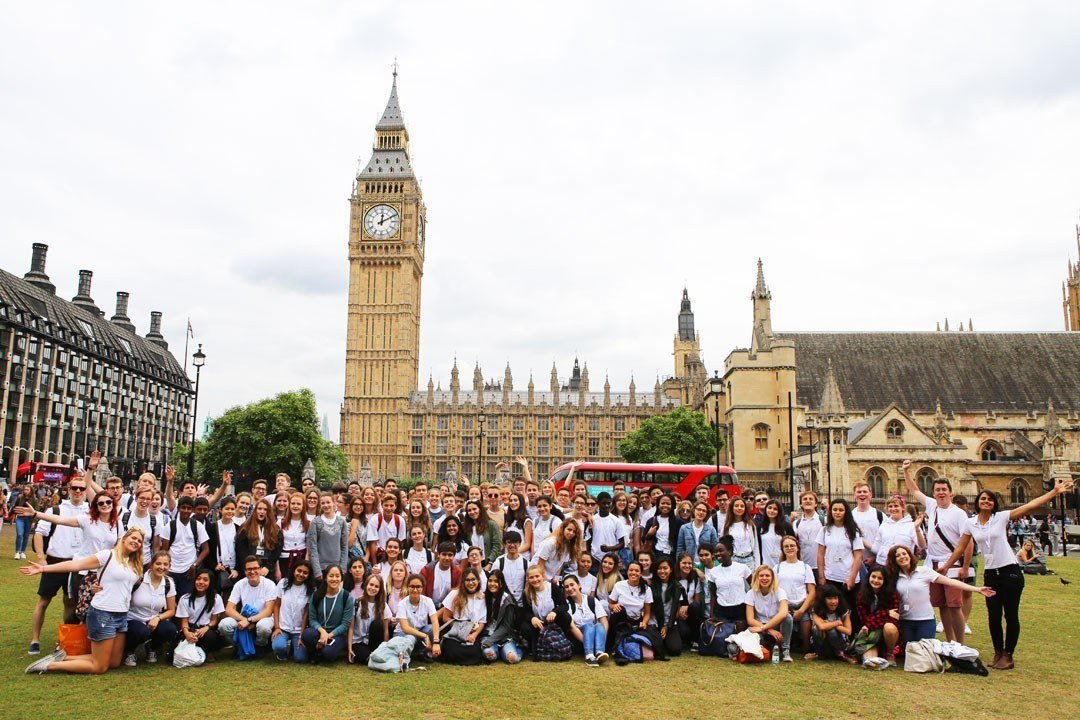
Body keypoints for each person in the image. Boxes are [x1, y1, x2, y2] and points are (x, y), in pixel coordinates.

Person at [937, 479, 1073, 670]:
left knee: (1010, 615)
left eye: (990, 500)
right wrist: (946, 566)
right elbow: (960, 547)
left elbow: (1029, 505)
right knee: (993, 616)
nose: (986, 502)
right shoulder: (971, 523)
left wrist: (1054, 492)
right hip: (991, 574)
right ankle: (998, 652)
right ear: (977, 502)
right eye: (983, 499)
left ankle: (1008, 654)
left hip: (1010, 572)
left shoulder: (1000, 517)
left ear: (994, 504)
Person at [22, 528, 146, 675]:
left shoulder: (134, 563)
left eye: (139, 541)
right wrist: (44, 568)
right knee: (99, 667)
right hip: (103, 613)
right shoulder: (107, 555)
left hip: (121, 615)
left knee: (113, 662)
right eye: (133, 538)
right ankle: (50, 665)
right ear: (124, 539)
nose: (136, 542)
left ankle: (64, 658)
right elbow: (76, 565)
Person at [902, 460, 971, 643]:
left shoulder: (959, 514)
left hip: (951, 563)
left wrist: (963, 566)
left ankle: (960, 644)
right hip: (932, 563)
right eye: (938, 490)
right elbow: (914, 490)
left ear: (950, 492)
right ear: (934, 493)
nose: (941, 493)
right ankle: (950, 641)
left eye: (944, 489)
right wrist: (906, 472)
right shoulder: (932, 505)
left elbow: (966, 543)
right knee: (942, 606)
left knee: (955, 605)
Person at [20, 476, 88, 654]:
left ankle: (64, 639)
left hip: (76, 563)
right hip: (55, 560)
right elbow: (39, 533)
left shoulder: (90, 510)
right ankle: (35, 639)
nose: (78, 492)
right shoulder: (57, 509)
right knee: (44, 600)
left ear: (86, 490)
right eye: (75, 488)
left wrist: (90, 471)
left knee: (70, 601)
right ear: (69, 488)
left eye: (82, 488)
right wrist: (41, 558)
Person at [885, 545, 993, 646]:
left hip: (925, 620)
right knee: (910, 652)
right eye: (897, 556)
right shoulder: (893, 577)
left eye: (904, 553)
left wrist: (977, 589)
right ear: (893, 560)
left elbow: (950, 582)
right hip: (905, 621)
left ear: (910, 555)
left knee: (925, 653)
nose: (902, 557)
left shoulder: (924, 571)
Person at [123, 550, 178, 667]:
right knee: (141, 631)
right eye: (158, 564)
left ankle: (151, 647)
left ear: (169, 566)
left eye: (165, 564)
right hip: (133, 620)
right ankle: (129, 651)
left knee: (170, 629)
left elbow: (171, 610)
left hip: (153, 620)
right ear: (151, 564)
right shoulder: (138, 579)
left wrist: (158, 618)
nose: (161, 567)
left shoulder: (169, 583)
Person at [219, 555, 280, 650]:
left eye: (255, 568)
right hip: (244, 617)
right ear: (245, 571)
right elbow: (229, 609)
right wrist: (245, 620)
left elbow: (268, 611)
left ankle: (259, 646)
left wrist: (249, 621)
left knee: (263, 627)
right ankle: (238, 645)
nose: (252, 572)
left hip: (263, 618)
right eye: (249, 569)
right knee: (224, 625)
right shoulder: (239, 584)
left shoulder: (270, 584)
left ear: (260, 569)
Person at [815, 499, 863, 614]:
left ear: (846, 512)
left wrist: (851, 579)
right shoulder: (825, 530)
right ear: (830, 511)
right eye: (835, 509)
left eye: (841, 510)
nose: (837, 512)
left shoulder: (853, 531)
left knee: (848, 611)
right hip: (830, 577)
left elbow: (858, 556)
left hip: (847, 579)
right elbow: (820, 554)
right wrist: (821, 576)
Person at [298, 565, 353, 663]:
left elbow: (345, 624)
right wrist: (322, 632)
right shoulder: (317, 595)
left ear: (341, 578)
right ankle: (315, 653)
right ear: (325, 577)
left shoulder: (347, 597)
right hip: (319, 631)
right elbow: (312, 619)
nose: (334, 579)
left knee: (329, 653)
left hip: (337, 634)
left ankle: (323, 651)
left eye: (337, 576)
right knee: (306, 634)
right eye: (331, 576)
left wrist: (328, 635)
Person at [160, 496, 209, 600]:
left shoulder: (197, 526)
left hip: (189, 572)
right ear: (178, 508)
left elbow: (206, 549)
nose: (186, 511)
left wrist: (195, 565)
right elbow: (164, 551)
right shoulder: (170, 526)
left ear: (192, 510)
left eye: (189, 508)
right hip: (171, 571)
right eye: (183, 507)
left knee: (185, 602)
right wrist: (165, 569)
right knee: (169, 601)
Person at [852, 565, 900, 669]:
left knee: (889, 627)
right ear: (868, 577)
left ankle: (890, 653)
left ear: (885, 580)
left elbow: (894, 618)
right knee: (870, 661)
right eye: (873, 577)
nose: (876, 580)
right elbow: (864, 619)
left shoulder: (892, 594)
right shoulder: (861, 595)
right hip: (869, 633)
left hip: (886, 633)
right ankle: (874, 658)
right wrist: (886, 613)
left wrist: (871, 623)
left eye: (880, 578)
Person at [437, 567, 488, 665]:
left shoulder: (481, 597)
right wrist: (461, 629)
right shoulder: (454, 594)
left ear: (478, 581)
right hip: (455, 631)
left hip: (472, 632)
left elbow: (482, 621)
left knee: (474, 652)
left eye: (473, 579)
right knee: (452, 649)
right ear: (463, 582)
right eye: (467, 580)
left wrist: (473, 635)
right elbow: (445, 618)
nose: (471, 583)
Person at [774, 535, 815, 653]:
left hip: (801, 607)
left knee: (805, 646)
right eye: (786, 546)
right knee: (782, 643)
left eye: (792, 545)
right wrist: (783, 609)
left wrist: (802, 610)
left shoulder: (805, 567)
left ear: (797, 548)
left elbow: (812, 591)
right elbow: (774, 590)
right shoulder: (777, 568)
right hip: (784, 607)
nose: (789, 548)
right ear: (782, 550)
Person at [522, 565, 573, 658]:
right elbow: (525, 611)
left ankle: (563, 641)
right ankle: (534, 647)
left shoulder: (552, 587)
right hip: (539, 623)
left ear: (542, 576)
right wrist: (532, 618)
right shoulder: (526, 593)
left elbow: (564, 605)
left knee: (566, 617)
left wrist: (555, 612)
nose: (535, 579)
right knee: (524, 627)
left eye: (537, 576)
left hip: (552, 621)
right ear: (528, 579)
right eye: (531, 577)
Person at [745, 565, 792, 662]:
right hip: (760, 626)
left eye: (767, 575)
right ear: (757, 577)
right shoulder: (751, 593)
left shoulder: (780, 591)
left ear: (772, 578)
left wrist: (766, 628)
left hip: (776, 626)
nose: (764, 578)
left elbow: (783, 613)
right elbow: (750, 619)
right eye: (761, 576)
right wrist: (768, 630)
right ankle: (769, 649)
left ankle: (785, 650)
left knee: (788, 618)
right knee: (750, 631)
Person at [176, 569, 226, 658]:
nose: (201, 582)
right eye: (198, 579)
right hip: (190, 628)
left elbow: (214, 619)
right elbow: (184, 621)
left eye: (205, 580)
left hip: (206, 629)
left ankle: (208, 652)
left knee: (210, 636)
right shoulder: (185, 598)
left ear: (211, 582)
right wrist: (187, 633)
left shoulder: (216, 598)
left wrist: (206, 628)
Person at [272, 561, 314, 661]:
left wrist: (301, 635)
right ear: (294, 570)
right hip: (283, 627)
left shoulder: (309, 589)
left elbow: (305, 614)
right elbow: (276, 606)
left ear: (309, 575)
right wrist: (277, 627)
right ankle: (283, 652)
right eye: (299, 571)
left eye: (305, 572)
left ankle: (293, 648)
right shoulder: (283, 583)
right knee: (279, 647)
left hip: (298, 629)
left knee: (301, 659)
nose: (301, 574)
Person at [563, 574, 609, 665]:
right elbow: (572, 627)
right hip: (579, 638)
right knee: (589, 625)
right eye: (567, 587)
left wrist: (601, 638)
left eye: (572, 585)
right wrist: (589, 642)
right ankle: (589, 655)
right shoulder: (566, 605)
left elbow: (604, 621)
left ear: (579, 585)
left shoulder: (591, 600)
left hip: (595, 637)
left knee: (599, 625)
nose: (570, 588)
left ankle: (599, 652)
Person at [705, 536, 751, 625]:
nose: (718, 553)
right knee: (723, 638)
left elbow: (753, 586)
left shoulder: (742, 568)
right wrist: (712, 615)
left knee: (739, 637)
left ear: (729, 552)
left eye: (721, 550)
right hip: (722, 612)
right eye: (716, 551)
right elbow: (713, 595)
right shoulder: (713, 572)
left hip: (740, 610)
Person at [395, 573, 441, 661]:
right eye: (412, 586)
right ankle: (408, 656)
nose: (415, 590)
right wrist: (425, 636)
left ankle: (427, 652)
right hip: (403, 634)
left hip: (420, 632)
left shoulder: (428, 601)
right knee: (411, 638)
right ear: (407, 587)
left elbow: (435, 621)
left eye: (418, 587)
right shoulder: (402, 604)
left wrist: (436, 642)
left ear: (422, 588)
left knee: (431, 629)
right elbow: (405, 628)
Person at [348, 572, 391, 665]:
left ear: (380, 589)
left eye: (376, 586)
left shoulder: (383, 605)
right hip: (359, 641)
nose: (373, 588)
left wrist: (385, 649)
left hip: (374, 640)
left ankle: (378, 654)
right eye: (371, 585)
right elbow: (351, 628)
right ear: (366, 585)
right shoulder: (357, 603)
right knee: (365, 658)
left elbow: (386, 630)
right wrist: (349, 649)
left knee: (377, 624)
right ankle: (372, 657)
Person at [805, 584, 855, 663]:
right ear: (823, 600)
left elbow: (848, 631)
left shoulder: (844, 610)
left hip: (839, 642)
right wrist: (837, 623)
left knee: (831, 630)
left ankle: (841, 654)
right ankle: (819, 653)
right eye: (829, 598)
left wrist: (831, 625)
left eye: (835, 598)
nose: (833, 602)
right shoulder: (816, 610)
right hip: (823, 643)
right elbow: (821, 626)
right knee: (816, 629)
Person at [480, 570, 521, 664]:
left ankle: (519, 649)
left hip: (505, 637)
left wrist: (490, 641)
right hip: (488, 634)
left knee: (512, 658)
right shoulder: (485, 597)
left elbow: (506, 627)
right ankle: (496, 651)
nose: (492, 584)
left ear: (501, 584)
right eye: (490, 581)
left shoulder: (507, 600)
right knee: (490, 655)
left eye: (496, 581)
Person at [650, 557, 688, 656]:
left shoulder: (677, 587)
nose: (662, 571)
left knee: (675, 650)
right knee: (656, 648)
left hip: (670, 624)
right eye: (659, 568)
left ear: (671, 569)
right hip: (655, 623)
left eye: (665, 568)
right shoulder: (651, 586)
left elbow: (676, 609)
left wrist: (667, 626)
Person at [236, 498, 283, 579]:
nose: (262, 512)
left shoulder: (275, 529)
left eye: (265, 509)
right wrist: (251, 567)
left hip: (267, 568)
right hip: (249, 566)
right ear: (255, 510)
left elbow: (277, 550)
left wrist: (268, 567)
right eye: (259, 509)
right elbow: (240, 550)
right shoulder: (245, 527)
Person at [307, 492, 349, 582]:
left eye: (328, 502)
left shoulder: (341, 522)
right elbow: (312, 547)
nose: (326, 505)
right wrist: (317, 571)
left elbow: (345, 546)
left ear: (334, 503)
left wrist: (343, 568)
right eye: (323, 503)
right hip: (321, 568)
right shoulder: (315, 522)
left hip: (337, 567)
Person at [872, 495, 923, 566]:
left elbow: (922, 545)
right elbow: (876, 548)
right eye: (890, 506)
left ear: (902, 507)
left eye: (896, 506)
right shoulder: (883, 526)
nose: (893, 509)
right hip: (883, 564)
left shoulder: (911, 526)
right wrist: (862, 540)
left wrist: (917, 529)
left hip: (903, 565)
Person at [367, 493, 408, 567]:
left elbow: (401, 542)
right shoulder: (375, 519)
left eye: (391, 505)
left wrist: (399, 561)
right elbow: (372, 543)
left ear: (395, 506)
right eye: (386, 505)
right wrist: (375, 564)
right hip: (379, 555)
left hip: (394, 555)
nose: (389, 508)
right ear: (382, 506)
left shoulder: (400, 520)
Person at [491, 530, 529, 605]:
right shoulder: (499, 562)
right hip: (503, 604)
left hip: (521, 605)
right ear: (504, 544)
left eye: (515, 542)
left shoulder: (526, 563)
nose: (512, 545)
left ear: (519, 544)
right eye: (509, 542)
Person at [642, 494, 682, 564]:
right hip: (656, 555)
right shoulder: (651, 521)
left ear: (672, 506)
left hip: (672, 556)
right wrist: (649, 534)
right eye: (663, 503)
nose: (665, 506)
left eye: (668, 504)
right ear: (658, 505)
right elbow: (643, 539)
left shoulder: (678, 522)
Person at [420, 542, 463, 607]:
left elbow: (459, 592)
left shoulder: (458, 572)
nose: (447, 558)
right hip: (427, 607)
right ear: (438, 555)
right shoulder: (426, 570)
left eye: (450, 555)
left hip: (448, 608)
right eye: (444, 554)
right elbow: (421, 591)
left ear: (454, 556)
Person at [462, 500, 502, 567]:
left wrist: (490, 563)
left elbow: (497, 545)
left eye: (474, 509)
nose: (472, 512)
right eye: (469, 510)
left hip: (488, 563)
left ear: (480, 509)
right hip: (472, 564)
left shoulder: (491, 524)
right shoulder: (466, 527)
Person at [279, 493, 310, 578]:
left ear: (303, 506)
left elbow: (309, 545)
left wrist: (306, 562)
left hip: (301, 559)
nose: (295, 506)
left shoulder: (308, 524)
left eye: (298, 504)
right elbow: (276, 546)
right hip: (284, 559)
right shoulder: (281, 522)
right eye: (293, 503)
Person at [722, 497, 759, 568]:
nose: (739, 508)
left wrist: (757, 565)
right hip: (733, 560)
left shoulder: (750, 525)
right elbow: (723, 545)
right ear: (732, 508)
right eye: (736, 506)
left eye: (742, 506)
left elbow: (755, 547)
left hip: (749, 561)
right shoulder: (726, 526)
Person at [793, 491, 824, 575]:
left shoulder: (823, 521)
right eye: (805, 499)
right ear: (801, 504)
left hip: (820, 566)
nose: (808, 501)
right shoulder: (796, 523)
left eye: (811, 499)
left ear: (816, 504)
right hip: (803, 566)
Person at [758, 500, 793, 568]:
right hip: (765, 565)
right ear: (766, 509)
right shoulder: (760, 527)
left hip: (783, 565)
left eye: (775, 509)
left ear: (779, 511)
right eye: (769, 508)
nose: (771, 511)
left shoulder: (786, 526)